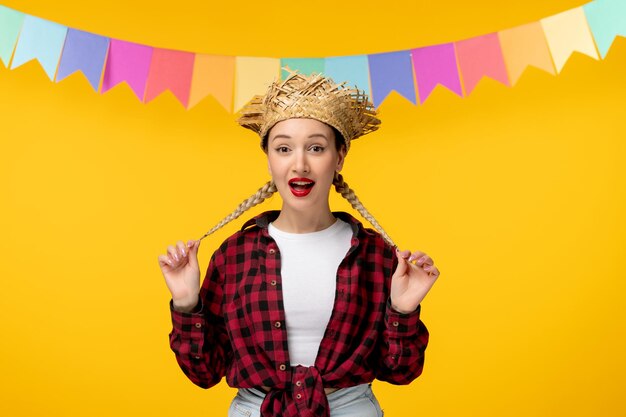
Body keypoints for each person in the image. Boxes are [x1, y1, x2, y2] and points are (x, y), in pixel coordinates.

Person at [158, 69, 440, 417]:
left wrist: (404, 311)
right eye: (284, 148)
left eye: (316, 148)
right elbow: (203, 373)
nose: (300, 164)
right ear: (269, 159)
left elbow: (401, 372)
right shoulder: (234, 255)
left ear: (338, 158)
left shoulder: (376, 257)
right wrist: (186, 305)